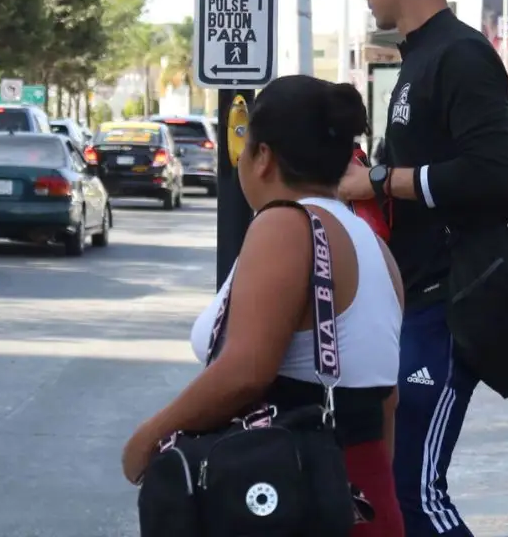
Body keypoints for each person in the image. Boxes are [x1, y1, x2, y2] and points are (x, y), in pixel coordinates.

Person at [122, 74, 406, 537]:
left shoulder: (285, 226)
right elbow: (387, 399)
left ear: (263, 156)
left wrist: (148, 438)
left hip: (288, 500)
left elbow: (246, 371)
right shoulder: (373, 245)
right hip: (363, 500)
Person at [338, 0, 508, 537]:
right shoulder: (417, 57)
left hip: (447, 303)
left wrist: (378, 180)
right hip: (413, 301)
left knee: (415, 494)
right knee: (391, 489)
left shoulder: (462, 55)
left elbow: (489, 179)